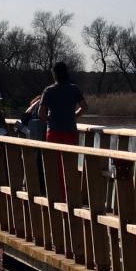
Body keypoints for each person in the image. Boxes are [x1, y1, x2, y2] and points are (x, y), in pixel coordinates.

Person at [38, 61, 88, 194]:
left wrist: (50, 119)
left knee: (54, 166)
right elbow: (84, 107)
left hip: (53, 132)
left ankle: (57, 195)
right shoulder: (74, 89)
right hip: (70, 131)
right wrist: (74, 116)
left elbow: (41, 114)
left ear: (54, 75)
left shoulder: (48, 90)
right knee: (70, 165)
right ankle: (70, 196)